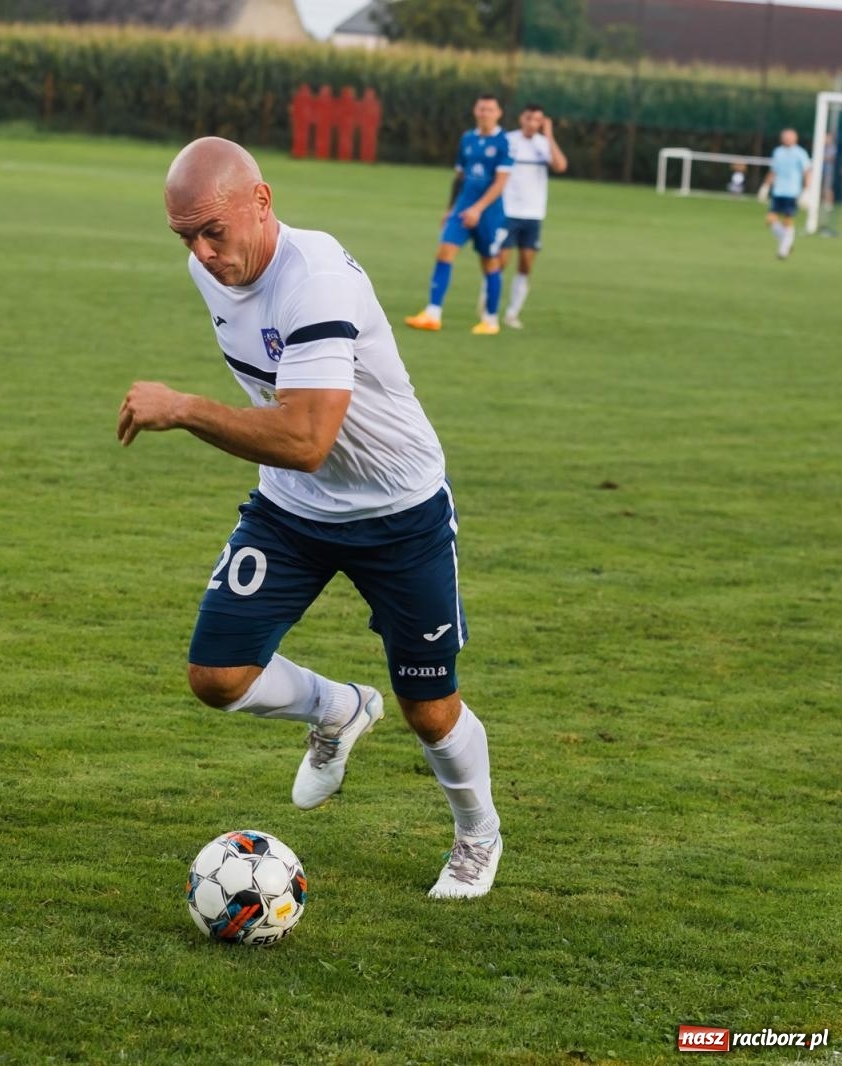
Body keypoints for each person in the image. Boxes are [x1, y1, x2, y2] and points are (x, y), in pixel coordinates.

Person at [118, 137, 503, 899]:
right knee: (217, 675)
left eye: (211, 232)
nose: (200, 252)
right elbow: (294, 450)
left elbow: (305, 437)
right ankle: (338, 708)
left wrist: (186, 408)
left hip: (399, 509)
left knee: (429, 709)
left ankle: (476, 837)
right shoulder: (208, 267)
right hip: (293, 509)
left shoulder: (316, 281)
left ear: (261, 202)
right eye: (184, 237)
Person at [405, 94, 512, 335]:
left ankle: (490, 320)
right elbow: (460, 177)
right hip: (462, 209)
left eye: (490, 109)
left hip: (489, 214)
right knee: (444, 252)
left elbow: (500, 183)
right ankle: (433, 313)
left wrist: (478, 209)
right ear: (475, 110)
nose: (485, 113)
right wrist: (451, 208)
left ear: (498, 113)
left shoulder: (504, 142)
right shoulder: (467, 139)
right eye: (482, 108)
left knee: (489, 263)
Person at [497, 103, 567, 329]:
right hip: (507, 210)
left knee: (526, 264)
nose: (531, 123)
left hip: (533, 213)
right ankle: (489, 309)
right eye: (528, 118)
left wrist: (549, 136)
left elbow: (560, 166)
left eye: (537, 120)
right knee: (499, 262)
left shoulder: (543, 144)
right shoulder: (508, 140)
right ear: (521, 119)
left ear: (542, 122)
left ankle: (512, 313)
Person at [760, 128, 811, 260]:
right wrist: (765, 186)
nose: (787, 139)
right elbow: (773, 171)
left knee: (787, 220)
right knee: (770, 219)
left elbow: (807, 172)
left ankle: (783, 250)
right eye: (785, 137)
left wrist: (806, 191)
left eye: (789, 137)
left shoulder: (800, 153)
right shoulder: (778, 152)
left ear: (795, 138)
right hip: (778, 191)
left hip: (792, 192)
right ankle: (786, 242)